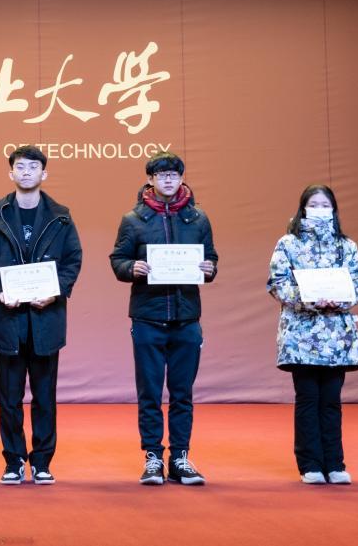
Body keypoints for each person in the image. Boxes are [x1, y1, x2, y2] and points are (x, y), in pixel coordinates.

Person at [0, 145, 83, 485]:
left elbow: (73, 261)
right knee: (9, 398)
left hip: (46, 320)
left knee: (45, 396)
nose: (26, 172)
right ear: (11, 173)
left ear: (43, 174)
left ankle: (42, 461)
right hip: (7, 319)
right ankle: (13, 460)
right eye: (20, 167)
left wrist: (56, 291)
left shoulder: (61, 216)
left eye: (33, 167)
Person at [109, 151, 217, 486]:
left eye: (173, 174)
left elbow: (211, 258)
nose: (168, 180)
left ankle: (180, 457)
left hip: (187, 318)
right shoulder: (133, 219)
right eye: (161, 175)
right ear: (151, 180)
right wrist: (132, 267)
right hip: (148, 317)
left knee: (182, 393)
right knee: (150, 393)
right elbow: (118, 260)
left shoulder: (198, 218)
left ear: (182, 178)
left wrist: (210, 268)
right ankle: (153, 457)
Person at [267, 184, 358, 485]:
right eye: (314, 205)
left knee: (332, 400)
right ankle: (310, 464)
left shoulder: (346, 245)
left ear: (334, 209)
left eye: (325, 205)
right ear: (303, 208)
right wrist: (309, 299)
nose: (320, 210)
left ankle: (335, 463)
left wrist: (342, 299)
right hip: (301, 334)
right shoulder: (288, 243)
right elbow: (277, 283)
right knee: (308, 398)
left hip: (336, 335)